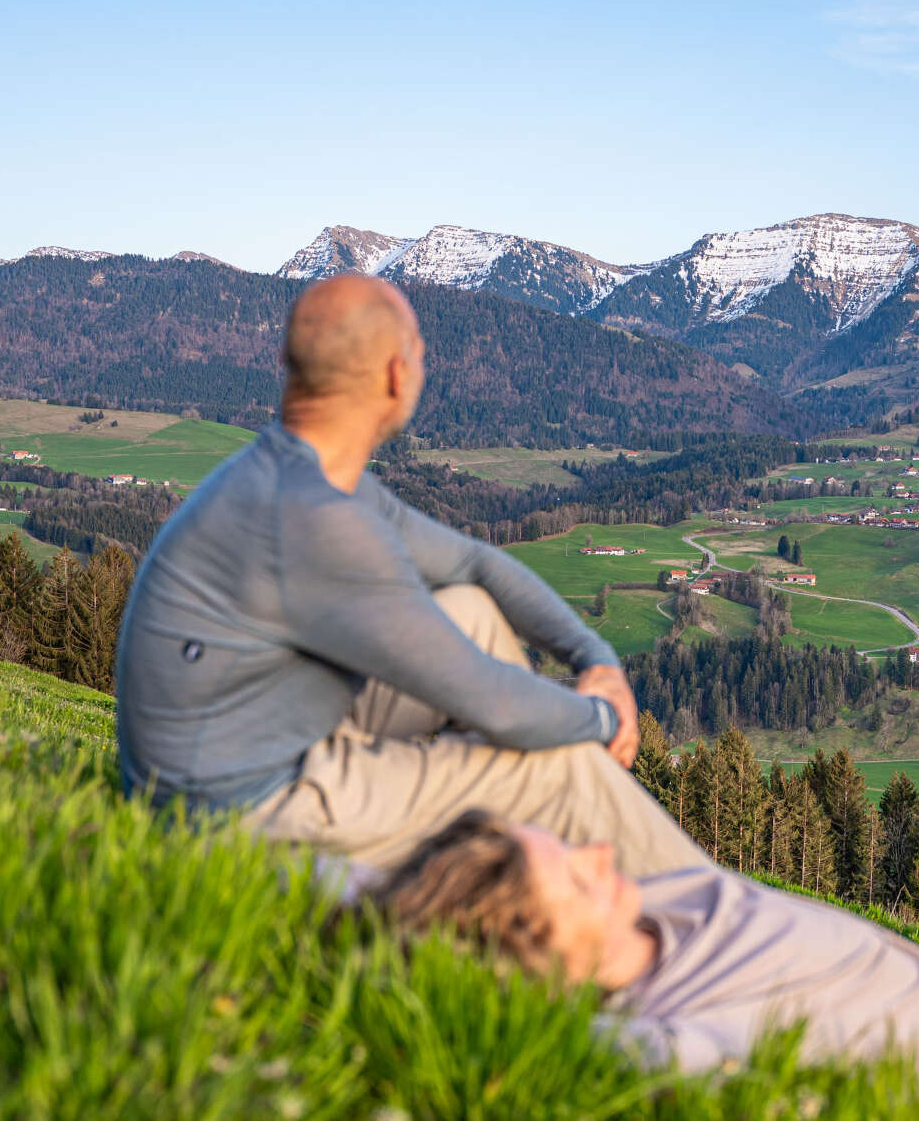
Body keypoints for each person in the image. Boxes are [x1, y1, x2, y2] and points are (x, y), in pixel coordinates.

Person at [112, 274, 708, 877]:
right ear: (398, 374)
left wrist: (595, 660)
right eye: (421, 352)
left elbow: (475, 563)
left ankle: (549, 868)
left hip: (237, 751)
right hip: (237, 816)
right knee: (549, 759)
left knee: (472, 608)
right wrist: (605, 717)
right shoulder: (313, 518)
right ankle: (704, 905)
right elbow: (493, 700)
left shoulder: (298, 477)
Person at [378, 810, 919, 1121]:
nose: (601, 855)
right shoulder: (669, 1035)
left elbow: (328, 877)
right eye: (575, 876)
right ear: (544, 959)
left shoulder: (651, 908)